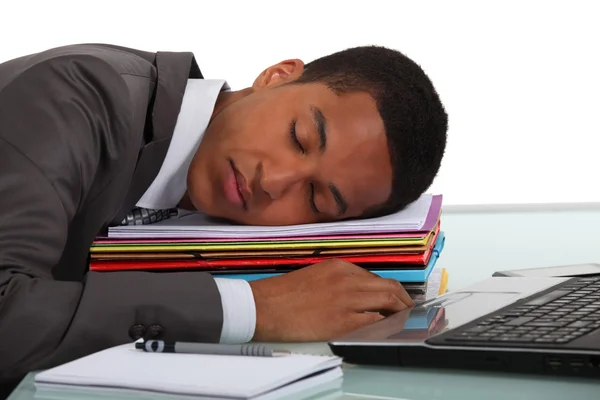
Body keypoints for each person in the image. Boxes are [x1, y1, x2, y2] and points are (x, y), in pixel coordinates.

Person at [0, 43, 447, 392]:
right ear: (277, 76)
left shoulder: (209, 216)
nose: (274, 180)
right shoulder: (75, 95)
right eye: (298, 137)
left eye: (316, 200)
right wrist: (255, 307)